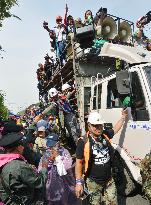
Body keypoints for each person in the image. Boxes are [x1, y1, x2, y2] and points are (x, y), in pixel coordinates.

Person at [75, 110, 128, 205]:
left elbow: (115, 129)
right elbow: (79, 163)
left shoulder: (105, 135)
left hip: (109, 179)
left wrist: (123, 117)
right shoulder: (83, 142)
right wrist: (79, 183)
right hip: (93, 182)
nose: (98, 128)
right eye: (95, 125)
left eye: (100, 125)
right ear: (89, 125)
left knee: (113, 202)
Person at [0, 132, 48, 204]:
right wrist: (44, 167)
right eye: (22, 145)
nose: (23, 147)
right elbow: (40, 182)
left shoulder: (3, 162)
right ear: (18, 147)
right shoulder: (19, 166)